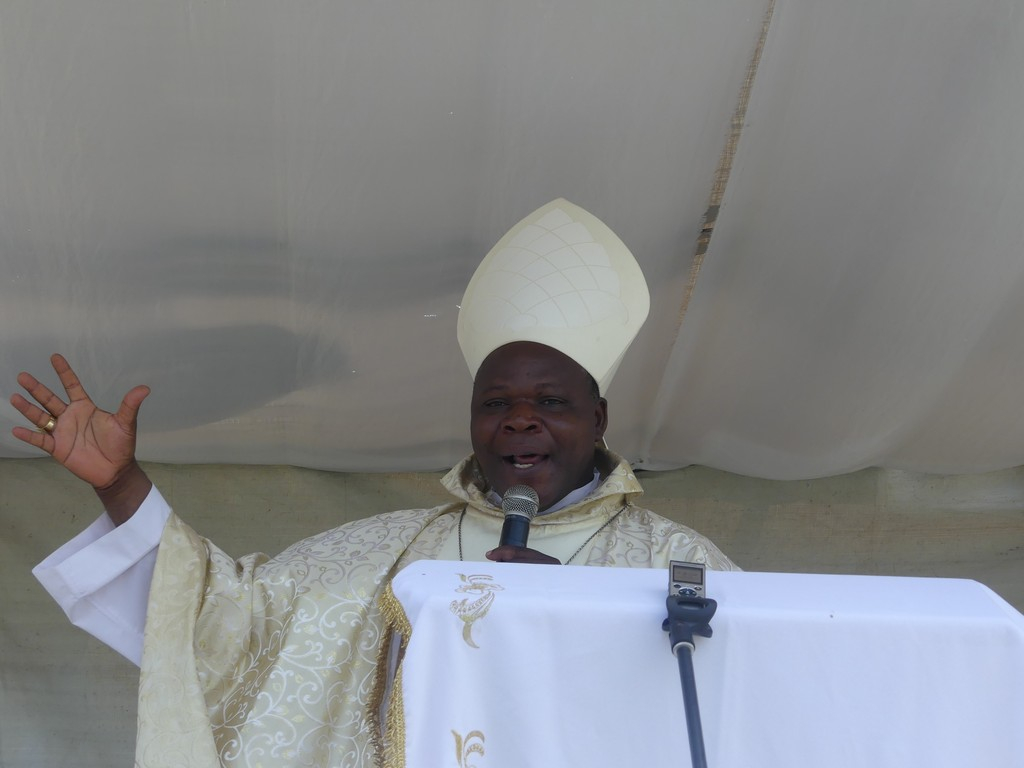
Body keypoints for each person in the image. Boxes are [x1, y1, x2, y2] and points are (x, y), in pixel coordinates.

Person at [12, 199, 737, 768]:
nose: (519, 422)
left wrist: (575, 622)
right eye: (496, 404)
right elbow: (221, 624)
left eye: (549, 403)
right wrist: (120, 484)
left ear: (598, 417)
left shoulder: (677, 569)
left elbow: (752, 711)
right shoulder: (386, 555)